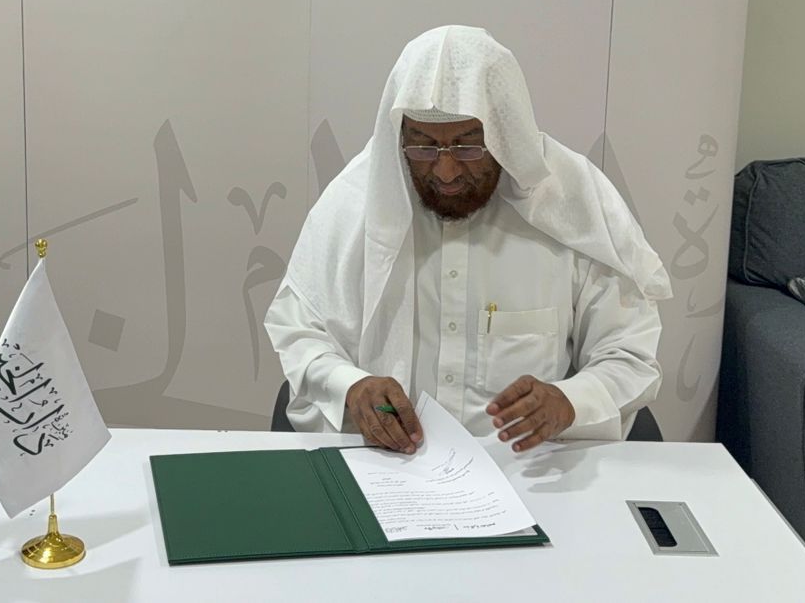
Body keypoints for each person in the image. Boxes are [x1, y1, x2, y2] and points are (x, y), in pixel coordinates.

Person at [266, 26, 670, 453]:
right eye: (423, 147)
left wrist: (569, 402)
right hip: (384, 466)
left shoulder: (574, 206)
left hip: (530, 469)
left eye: (467, 147)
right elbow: (299, 329)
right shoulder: (355, 204)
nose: (445, 172)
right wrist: (350, 386)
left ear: (504, 133)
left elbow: (628, 353)